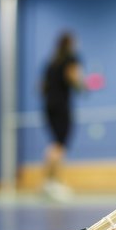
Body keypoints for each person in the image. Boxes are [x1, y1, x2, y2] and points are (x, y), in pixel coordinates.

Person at [41, 32, 85, 200]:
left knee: (54, 145)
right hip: (61, 106)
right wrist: (83, 85)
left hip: (48, 106)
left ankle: (48, 184)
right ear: (70, 43)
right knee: (60, 145)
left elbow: (41, 87)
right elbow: (74, 79)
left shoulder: (50, 63)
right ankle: (56, 184)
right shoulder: (71, 58)